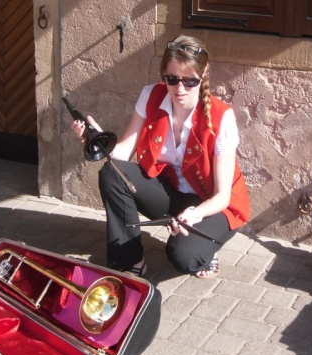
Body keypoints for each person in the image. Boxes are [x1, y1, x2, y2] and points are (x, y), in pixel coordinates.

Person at [70, 35, 250, 279]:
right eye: (172, 79)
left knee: (184, 258)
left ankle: (208, 248)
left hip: (213, 205)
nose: (180, 89)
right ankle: (129, 261)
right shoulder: (151, 96)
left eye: (189, 81)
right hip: (173, 193)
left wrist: (194, 215)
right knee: (113, 173)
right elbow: (122, 154)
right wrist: (97, 140)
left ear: (204, 74)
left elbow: (222, 196)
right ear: (164, 75)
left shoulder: (221, 116)